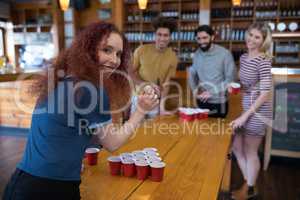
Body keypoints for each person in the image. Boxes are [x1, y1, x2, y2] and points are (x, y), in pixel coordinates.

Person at [3, 22, 159, 200]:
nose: (115, 60)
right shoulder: (91, 90)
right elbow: (112, 143)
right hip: (51, 188)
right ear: (88, 50)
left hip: (24, 182)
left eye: (118, 54)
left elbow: (65, 131)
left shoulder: (61, 81)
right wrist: (141, 110)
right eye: (106, 50)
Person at [230, 22, 272, 200]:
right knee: (237, 147)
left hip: (258, 111)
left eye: (257, 37)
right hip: (247, 107)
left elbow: (265, 94)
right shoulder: (244, 58)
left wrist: (244, 116)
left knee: (250, 151)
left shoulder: (263, 61)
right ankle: (250, 185)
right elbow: (247, 85)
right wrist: (232, 87)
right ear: (246, 34)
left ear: (263, 41)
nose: (252, 40)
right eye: (251, 35)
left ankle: (248, 188)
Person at [129, 17, 178, 117]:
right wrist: (146, 84)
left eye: (165, 35)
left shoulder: (173, 56)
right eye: (159, 34)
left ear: (170, 37)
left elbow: (167, 84)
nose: (162, 38)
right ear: (154, 35)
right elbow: (130, 73)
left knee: (153, 130)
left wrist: (162, 107)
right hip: (138, 98)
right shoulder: (141, 50)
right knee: (135, 130)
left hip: (155, 101)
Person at [188, 25, 236, 118]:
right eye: (199, 38)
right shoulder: (197, 54)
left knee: (216, 131)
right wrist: (195, 90)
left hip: (218, 103)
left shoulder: (225, 54)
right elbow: (193, 72)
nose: (202, 41)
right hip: (201, 102)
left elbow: (230, 80)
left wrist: (211, 92)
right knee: (200, 131)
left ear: (212, 37)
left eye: (205, 38)